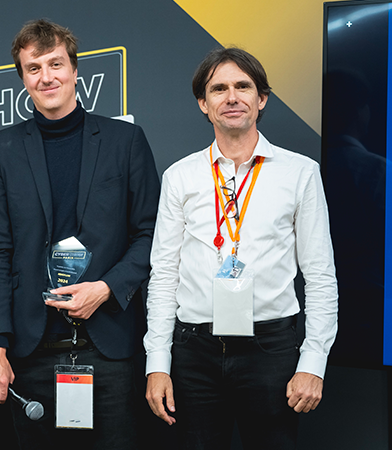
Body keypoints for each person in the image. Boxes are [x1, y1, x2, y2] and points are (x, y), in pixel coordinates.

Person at [0, 19, 160, 449]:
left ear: (75, 70)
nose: (46, 77)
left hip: (110, 345)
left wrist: (106, 288)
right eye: (34, 68)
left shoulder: (125, 140)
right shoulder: (2, 150)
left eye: (55, 64)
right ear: (23, 79)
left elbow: (152, 233)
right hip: (30, 350)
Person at [144, 47, 338, 449]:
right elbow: (163, 277)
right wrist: (157, 364)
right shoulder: (180, 177)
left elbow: (320, 277)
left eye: (242, 87)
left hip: (270, 350)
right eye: (218, 89)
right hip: (193, 353)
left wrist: (313, 362)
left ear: (261, 98)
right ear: (204, 103)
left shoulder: (300, 173)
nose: (231, 97)